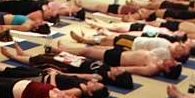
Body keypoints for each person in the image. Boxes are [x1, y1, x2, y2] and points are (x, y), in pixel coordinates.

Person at [0, 57, 113, 98]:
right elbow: (76, 76)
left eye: (96, 85)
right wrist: (59, 72)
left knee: (10, 78)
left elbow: (53, 89)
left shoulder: (78, 91)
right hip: (44, 75)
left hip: (43, 80)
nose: (94, 82)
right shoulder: (83, 83)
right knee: (15, 71)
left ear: (92, 92)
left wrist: (54, 75)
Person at [0, 42, 134, 90]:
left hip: (68, 67)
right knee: (44, 57)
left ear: (116, 78)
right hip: (75, 61)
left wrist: (59, 74)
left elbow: (79, 75)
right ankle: (23, 53)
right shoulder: (107, 68)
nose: (117, 68)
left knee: (41, 62)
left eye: (119, 71)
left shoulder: (99, 77)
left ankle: (14, 56)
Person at [51, 41, 182, 79]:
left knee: (87, 52)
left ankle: (60, 51)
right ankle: (64, 50)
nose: (172, 60)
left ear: (168, 68)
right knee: (92, 49)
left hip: (116, 59)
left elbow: (131, 69)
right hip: (122, 53)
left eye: (173, 63)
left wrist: (114, 69)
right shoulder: (159, 60)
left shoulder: (152, 69)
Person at [84, 17, 195, 44]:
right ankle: (100, 25)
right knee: (122, 26)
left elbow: (183, 36)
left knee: (124, 32)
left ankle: (100, 27)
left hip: (160, 33)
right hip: (162, 29)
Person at [69, 32, 189, 63]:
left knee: (109, 41)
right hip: (136, 40)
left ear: (178, 55)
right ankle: (89, 39)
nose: (180, 45)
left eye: (181, 48)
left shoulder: (165, 53)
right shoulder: (168, 45)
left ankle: (85, 40)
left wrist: (130, 51)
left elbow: (147, 54)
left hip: (133, 46)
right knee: (110, 39)